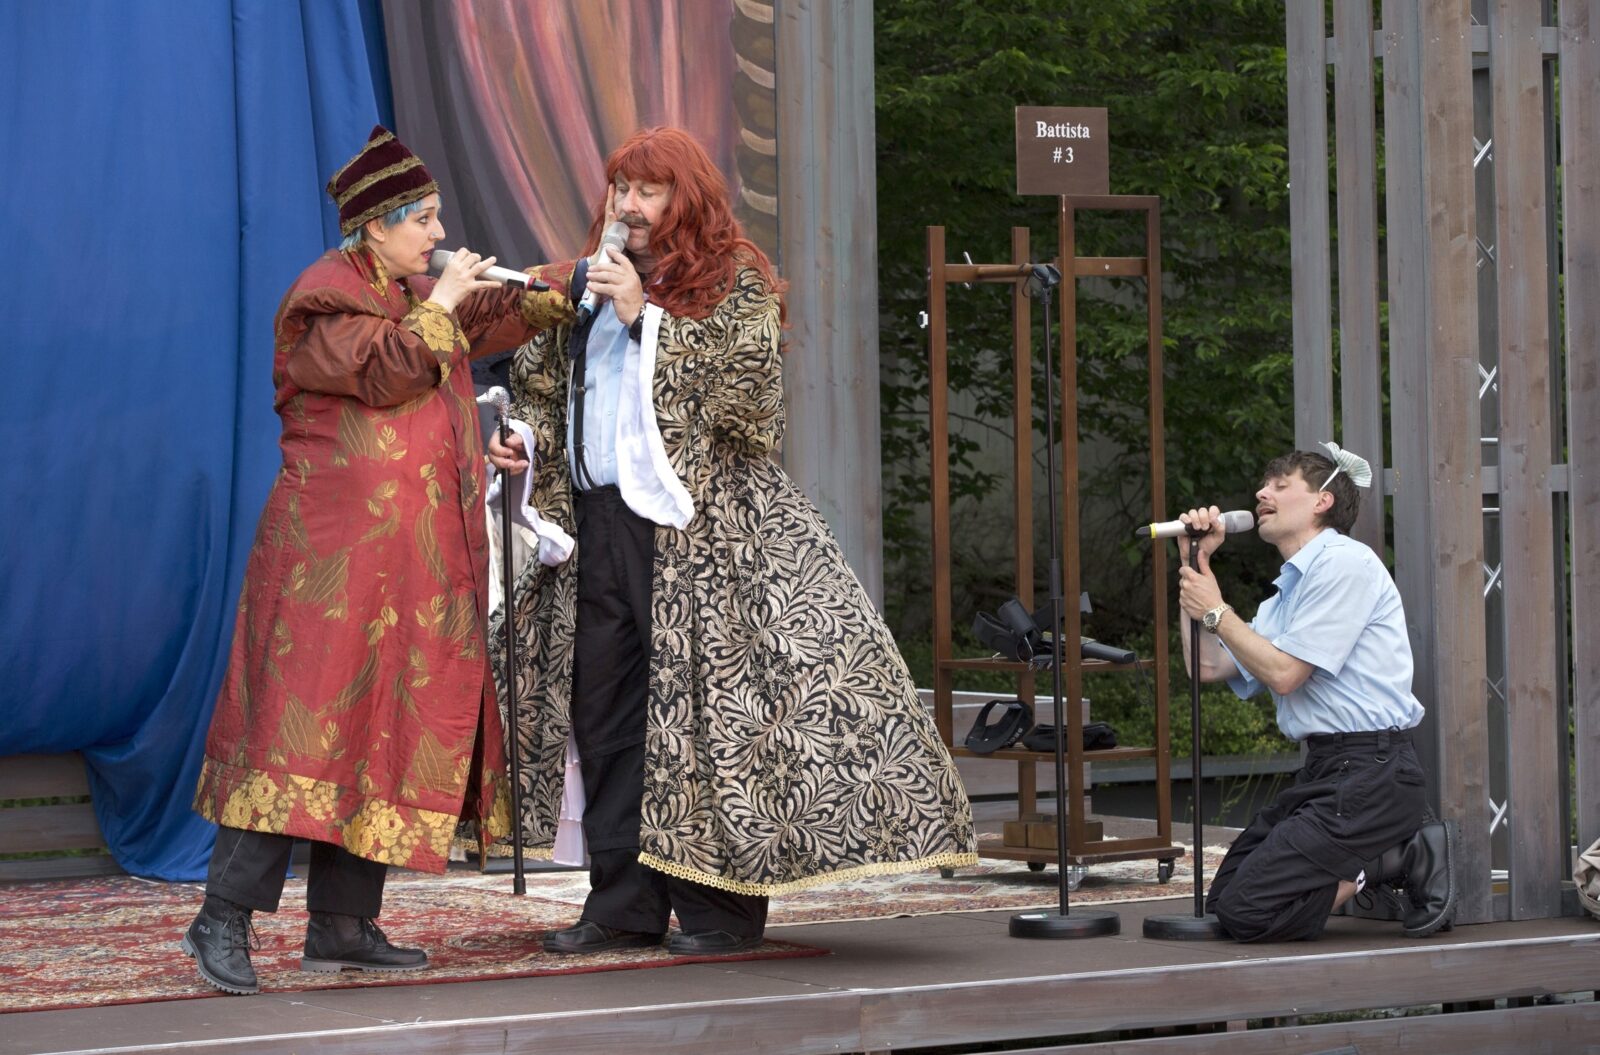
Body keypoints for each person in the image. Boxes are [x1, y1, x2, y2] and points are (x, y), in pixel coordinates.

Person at [487, 126, 976, 956]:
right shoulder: (586, 289)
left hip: (701, 533)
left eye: (650, 192)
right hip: (598, 527)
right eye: (621, 190)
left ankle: (720, 911)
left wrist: (648, 321)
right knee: (605, 714)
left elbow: (747, 395)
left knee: (705, 715)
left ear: (686, 199)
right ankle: (621, 902)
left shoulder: (729, 280)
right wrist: (524, 440)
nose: (630, 208)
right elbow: (542, 385)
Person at [184, 125, 573, 995]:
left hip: (410, 564)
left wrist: (567, 283)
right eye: (423, 219)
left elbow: (468, 336)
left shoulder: (404, 293)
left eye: (435, 217)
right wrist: (447, 299)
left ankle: (345, 921)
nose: (437, 234)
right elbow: (393, 371)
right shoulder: (323, 302)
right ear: (375, 225)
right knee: (299, 728)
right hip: (329, 565)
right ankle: (222, 916)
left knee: (380, 729)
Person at [1173, 445, 1456, 942]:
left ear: (1323, 500)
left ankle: (1396, 854)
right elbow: (1206, 664)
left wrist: (1217, 610)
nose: (1262, 492)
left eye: (1281, 485)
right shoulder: (1286, 594)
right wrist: (1196, 566)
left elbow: (1284, 674)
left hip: (1374, 772)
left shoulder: (1345, 564)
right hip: (1327, 771)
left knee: (1248, 914)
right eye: (1265, 484)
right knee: (1223, 905)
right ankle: (1389, 853)